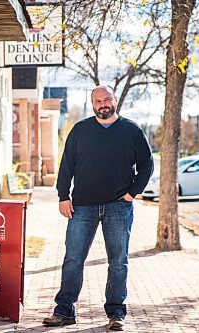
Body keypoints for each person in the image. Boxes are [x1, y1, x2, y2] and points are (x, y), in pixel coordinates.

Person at [42, 85, 153, 331]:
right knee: (73, 259)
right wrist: (63, 195)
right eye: (97, 101)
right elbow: (66, 165)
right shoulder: (80, 130)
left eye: (106, 99)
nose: (102, 104)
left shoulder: (131, 130)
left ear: (114, 100)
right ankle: (64, 311)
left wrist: (131, 193)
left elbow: (147, 164)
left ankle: (116, 314)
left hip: (118, 206)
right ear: (92, 104)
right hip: (82, 206)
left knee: (118, 262)